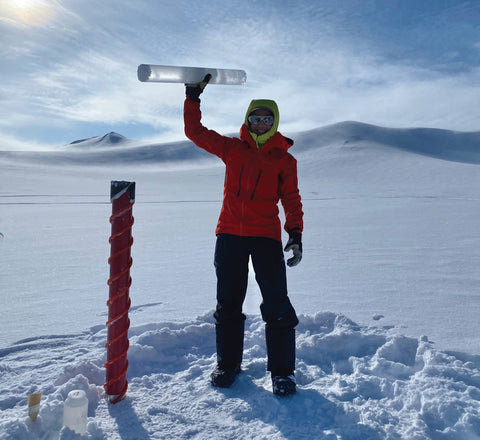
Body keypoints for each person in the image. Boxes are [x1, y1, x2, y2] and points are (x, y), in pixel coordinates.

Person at [183, 75, 303, 396]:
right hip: (230, 237)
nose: (260, 123)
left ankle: (282, 373)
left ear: (274, 122)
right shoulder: (232, 149)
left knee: (277, 304)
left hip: (266, 238)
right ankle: (228, 364)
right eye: (255, 117)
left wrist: (295, 232)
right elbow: (194, 132)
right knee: (228, 303)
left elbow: (291, 198)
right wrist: (193, 98)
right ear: (247, 120)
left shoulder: (284, 160)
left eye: (267, 118)